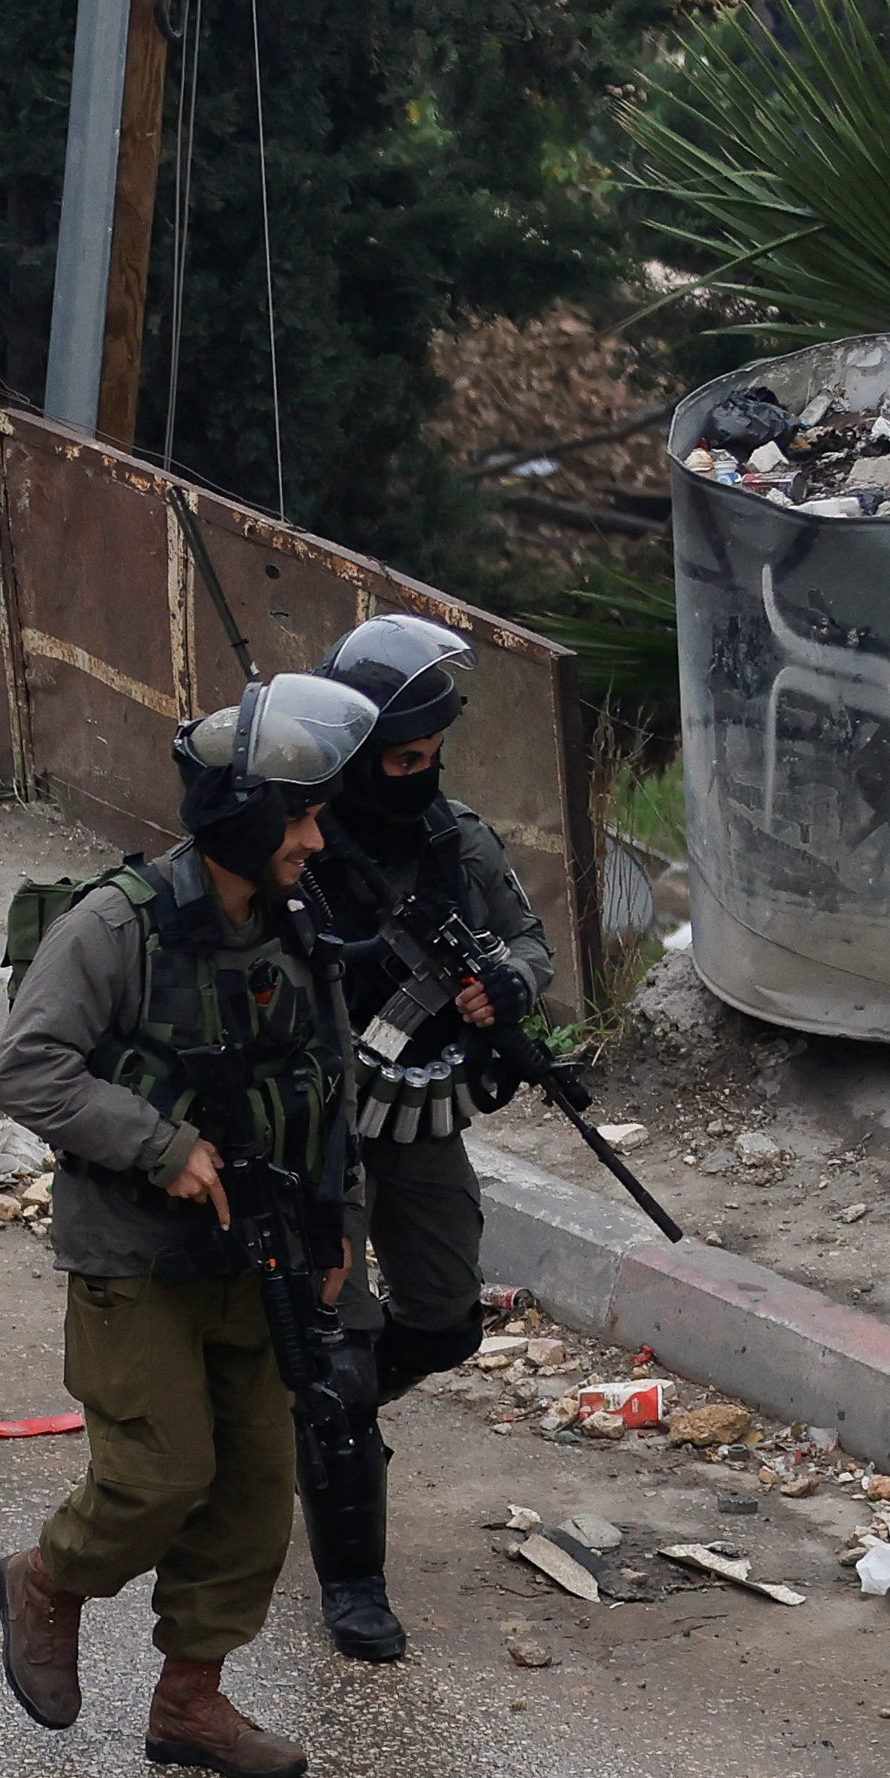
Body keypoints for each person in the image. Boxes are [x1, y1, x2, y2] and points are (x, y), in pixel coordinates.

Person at [0, 672, 385, 1778]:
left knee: (255, 1489)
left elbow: (331, 1088)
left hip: (261, 1255)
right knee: (160, 1475)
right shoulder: (117, 926)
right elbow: (23, 1066)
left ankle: (189, 1702)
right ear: (243, 819)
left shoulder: (299, 931)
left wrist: (336, 1226)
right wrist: (160, 1144)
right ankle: (48, 1580)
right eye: (296, 816)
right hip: (135, 1255)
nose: (313, 838)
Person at [294, 612, 549, 1665]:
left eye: (431, 757)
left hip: (420, 1109)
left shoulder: (455, 839)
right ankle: (352, 1577)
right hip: (318, 1119)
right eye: (401, 760)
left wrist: (506, 986)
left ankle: (315, 1415)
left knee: (444, 1321)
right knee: (341, 1369)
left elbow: (531, 939)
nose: (420, 776)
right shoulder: (296, 844)